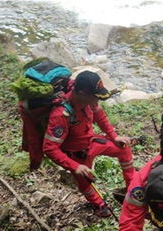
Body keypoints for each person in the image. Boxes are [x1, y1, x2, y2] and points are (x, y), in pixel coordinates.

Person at [43, 71, 135, 217]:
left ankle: (132, 187)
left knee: (123, 148)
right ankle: (98, 204)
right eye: (95, 96)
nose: (97, 101)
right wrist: (75, 166)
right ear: (81, 93)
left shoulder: (90, 102)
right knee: (85, 181)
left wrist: (114, 136)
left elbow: (100, 116)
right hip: (77, 155)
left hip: (92, 142)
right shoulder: (60, 115)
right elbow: (49, 148)